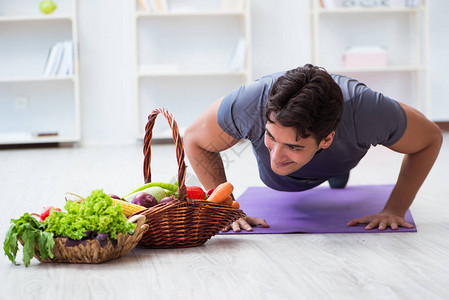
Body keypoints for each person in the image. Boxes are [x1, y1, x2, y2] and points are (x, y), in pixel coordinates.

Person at [183, 64, 443, 232]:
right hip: (280, 181)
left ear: (327, 139)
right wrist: (225, 209)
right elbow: (194, 140)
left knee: (338, 168)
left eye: (293, 146)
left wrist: (395, 209)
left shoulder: (368, 111)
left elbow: (431, 138)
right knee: (278, 172)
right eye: (271, 137)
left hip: (342, 156)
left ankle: (335, 171)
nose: (276, 155)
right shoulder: (247, 104)